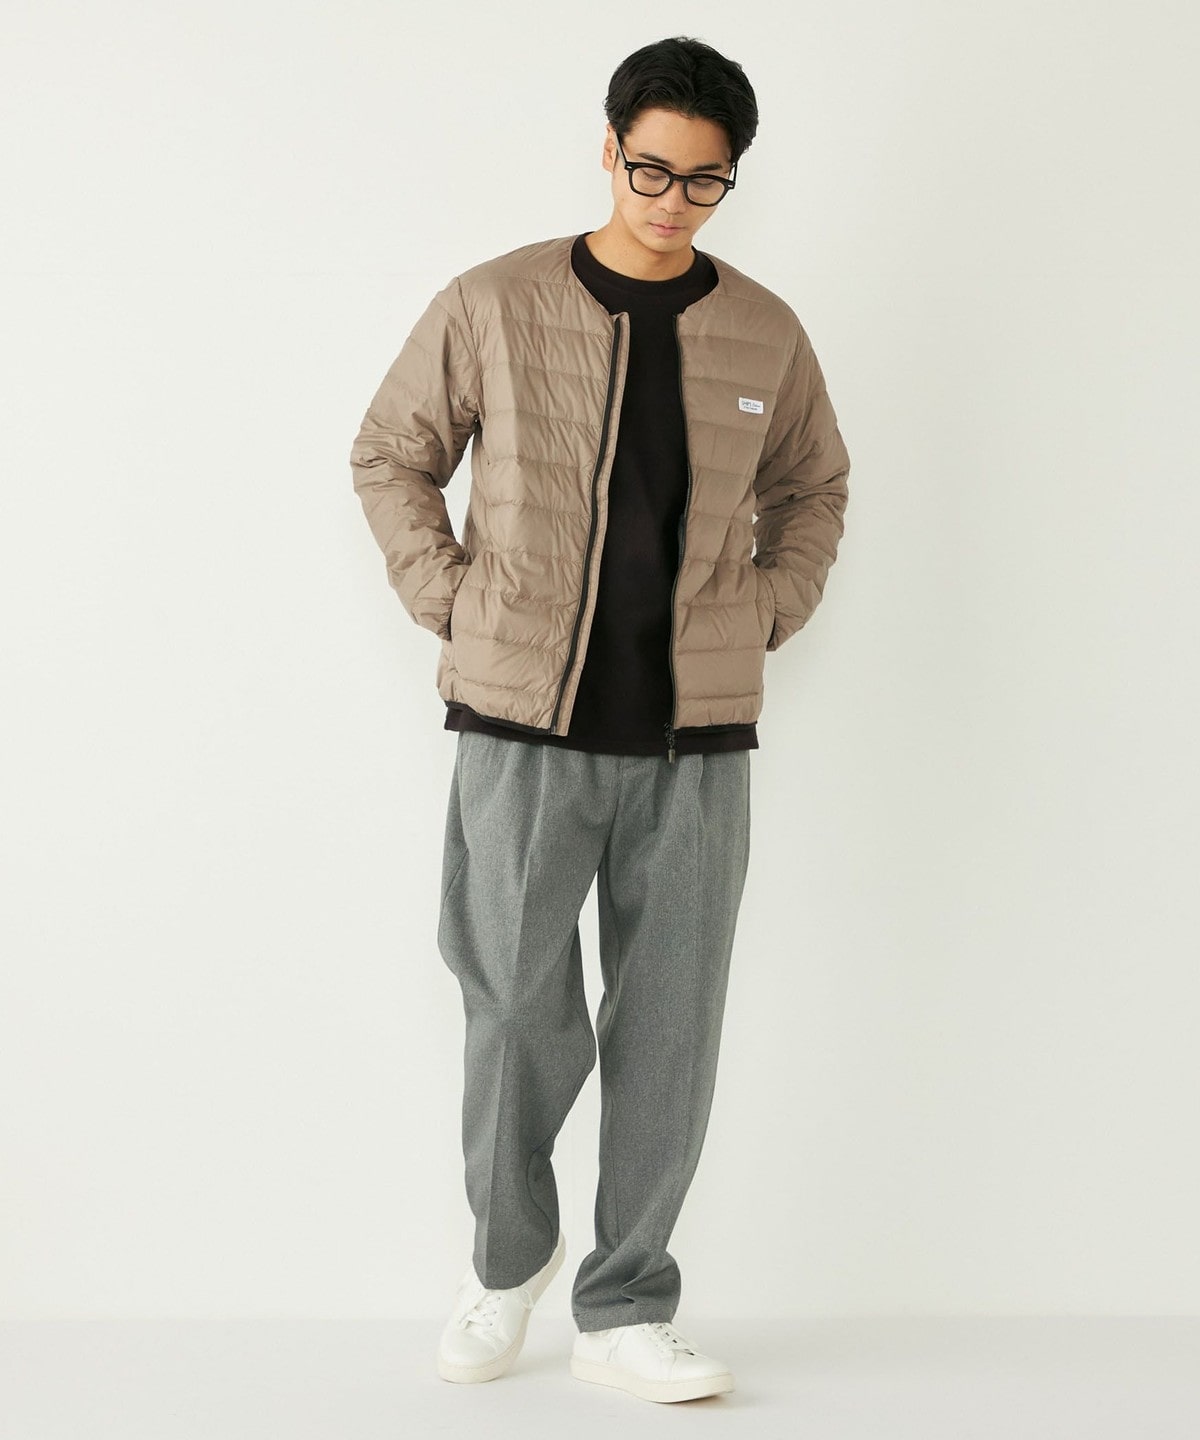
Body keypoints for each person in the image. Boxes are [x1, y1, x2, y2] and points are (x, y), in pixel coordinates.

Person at [349, 34, 851, 1406]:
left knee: (670, 1027)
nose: (674, 202)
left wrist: (768, 609)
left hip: (696, 743)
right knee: (514, 1010)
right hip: (523, 729)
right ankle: (506, 1264)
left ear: (732, 179)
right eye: (651, 170)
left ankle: (628, 1303)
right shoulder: (495, 302)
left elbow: (815, 487)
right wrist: (453, 600)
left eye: (705, 181)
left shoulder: (765, 330)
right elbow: (392, 453)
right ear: (610, 149)